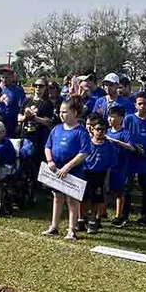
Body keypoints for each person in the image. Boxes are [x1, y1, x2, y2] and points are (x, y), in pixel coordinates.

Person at [42, 99, 92, 240]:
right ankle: (54, 226)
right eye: (60, 112)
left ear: (75, 113)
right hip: (56, 171)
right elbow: (48, 146)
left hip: (74, 172)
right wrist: (50, 160)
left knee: (72, 201)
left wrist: (67, 167)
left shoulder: (81, 131)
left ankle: (72, 229)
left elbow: (83, 153)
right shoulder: (56, 129)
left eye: (65, 112)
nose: (61, 114)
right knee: (57, 198)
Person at [123, 92, 146, 226]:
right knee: (127, 187)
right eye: (139, 104)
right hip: (131, 158)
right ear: (135, 105)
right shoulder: (129, 119)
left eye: (145, 103)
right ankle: (124, 215)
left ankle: (145, 216)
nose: (142, 106)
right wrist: (132, 146)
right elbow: (124, 136)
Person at [81, 114, 117, 234]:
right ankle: (82, 218)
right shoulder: (87, 143)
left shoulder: (109, 146)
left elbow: (110, 164)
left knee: (97, 199)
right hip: (86, 174)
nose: (100, 132)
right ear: (92, 130)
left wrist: (106, 180)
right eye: (97, 129)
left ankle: (93, 220)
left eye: (102, 130)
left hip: (99, 175)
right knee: (84, 198)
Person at [105, 106, 135, 228]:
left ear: (121, 118)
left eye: (113, 116)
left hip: (121, 166)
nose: (110, 119)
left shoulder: (125, 132)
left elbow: (131, 147)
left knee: (120, 191)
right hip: (108, 165)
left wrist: (116, 142)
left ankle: (119, 215)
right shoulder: (106, 131)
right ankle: (102, 212)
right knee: (106, 190)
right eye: (109, 116)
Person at [17, 78, 54, 167]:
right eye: (36, 85)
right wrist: (26, 116)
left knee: (37, 164)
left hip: (40, 138)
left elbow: (48, 122)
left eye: (41, 86)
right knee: (24, 158)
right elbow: (19, 118)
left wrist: (34, 117)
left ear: (45, 88)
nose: (38, 88)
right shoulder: (27, 100)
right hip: (26, 135)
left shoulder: (48, 104)